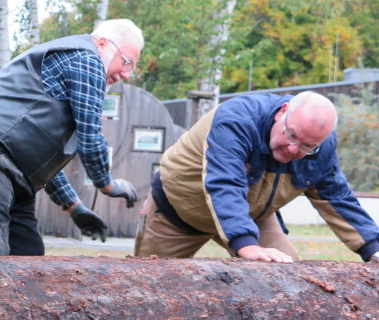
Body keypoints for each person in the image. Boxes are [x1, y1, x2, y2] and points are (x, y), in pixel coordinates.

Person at [0, 19, 144, 255]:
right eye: (126, 62)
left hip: (7, 165)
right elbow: (90, 138)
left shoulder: (78, 61)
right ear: (102, 43)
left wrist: (74, 207)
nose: (127, 74)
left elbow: (39, 154)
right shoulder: (87, 59)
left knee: (28, 253)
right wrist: (108, 185)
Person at [134, 91, 379, 264]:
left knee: (286, 277)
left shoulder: (319, 146)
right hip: (177, 214)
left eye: (307, 146)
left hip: (252, 216)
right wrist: (246, 245)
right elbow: (225, 183)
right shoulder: (236, 120)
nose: (294, 150)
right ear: (282, 112)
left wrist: (373, 248)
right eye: (291, 136)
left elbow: (335, 196)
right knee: (145, 288)